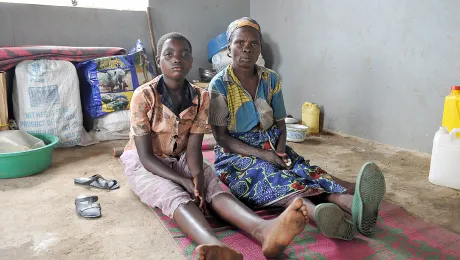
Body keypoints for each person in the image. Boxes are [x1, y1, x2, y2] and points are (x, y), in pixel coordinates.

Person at [120, 32, 310, 260]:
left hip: (181, 156)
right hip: (147, 162)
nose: (177, 59)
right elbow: (146, 157)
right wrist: (183, 181)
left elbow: (193, 147)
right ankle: (214, 245)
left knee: (212, 187)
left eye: (184, 54)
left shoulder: (201, 97)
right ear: (159, 60)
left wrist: (197, 177)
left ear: (191, 61)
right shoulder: (144, 96)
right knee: (172, 193)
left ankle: (264, 230)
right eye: (169, 54)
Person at [208, 18, 386, 241]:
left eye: (254, 43)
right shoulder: (219, 84)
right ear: (228, 47)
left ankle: (353, 206)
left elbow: (280, 123)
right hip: (235, 153)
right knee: (269, 176)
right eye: (240, 42)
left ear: (260, 48)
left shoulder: (271, 79)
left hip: (272, 143)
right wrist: (264, 155)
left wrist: (280, 152)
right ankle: (318, 215)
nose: (247, 48)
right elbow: (221, 137)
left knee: (302, 170)